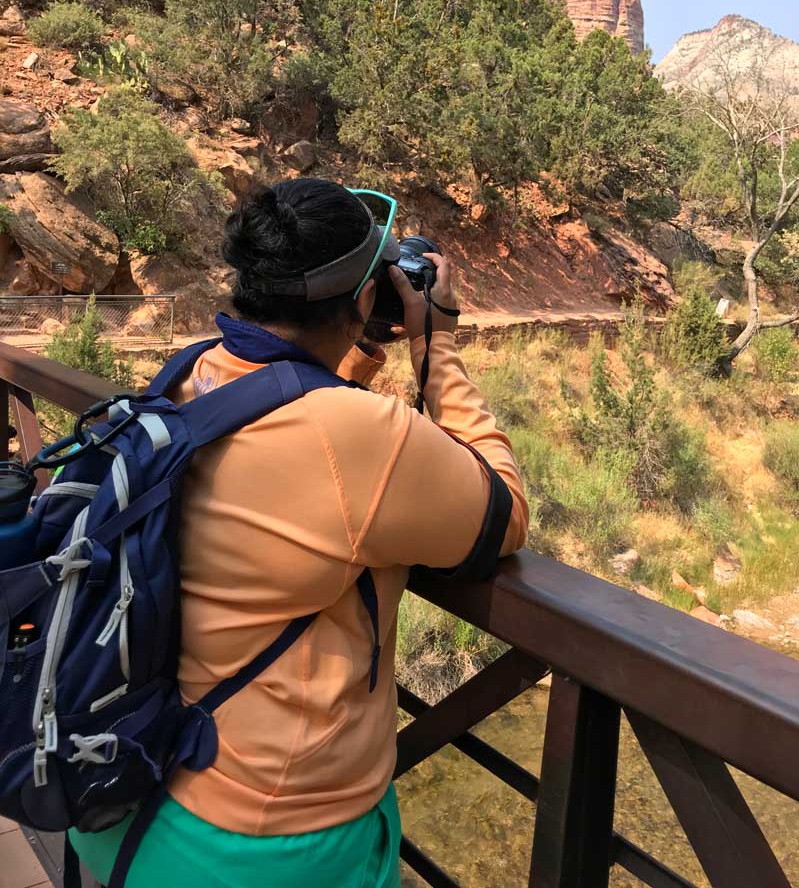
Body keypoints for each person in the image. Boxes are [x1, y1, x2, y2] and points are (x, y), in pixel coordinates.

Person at [70, 177, 528, 887]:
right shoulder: (360, 437)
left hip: (130, 796)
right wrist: (439, 350)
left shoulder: (192, 372)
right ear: (366, 298)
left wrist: (358, 347)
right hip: (266, 847)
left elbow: (309, 425)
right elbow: (503, 512)